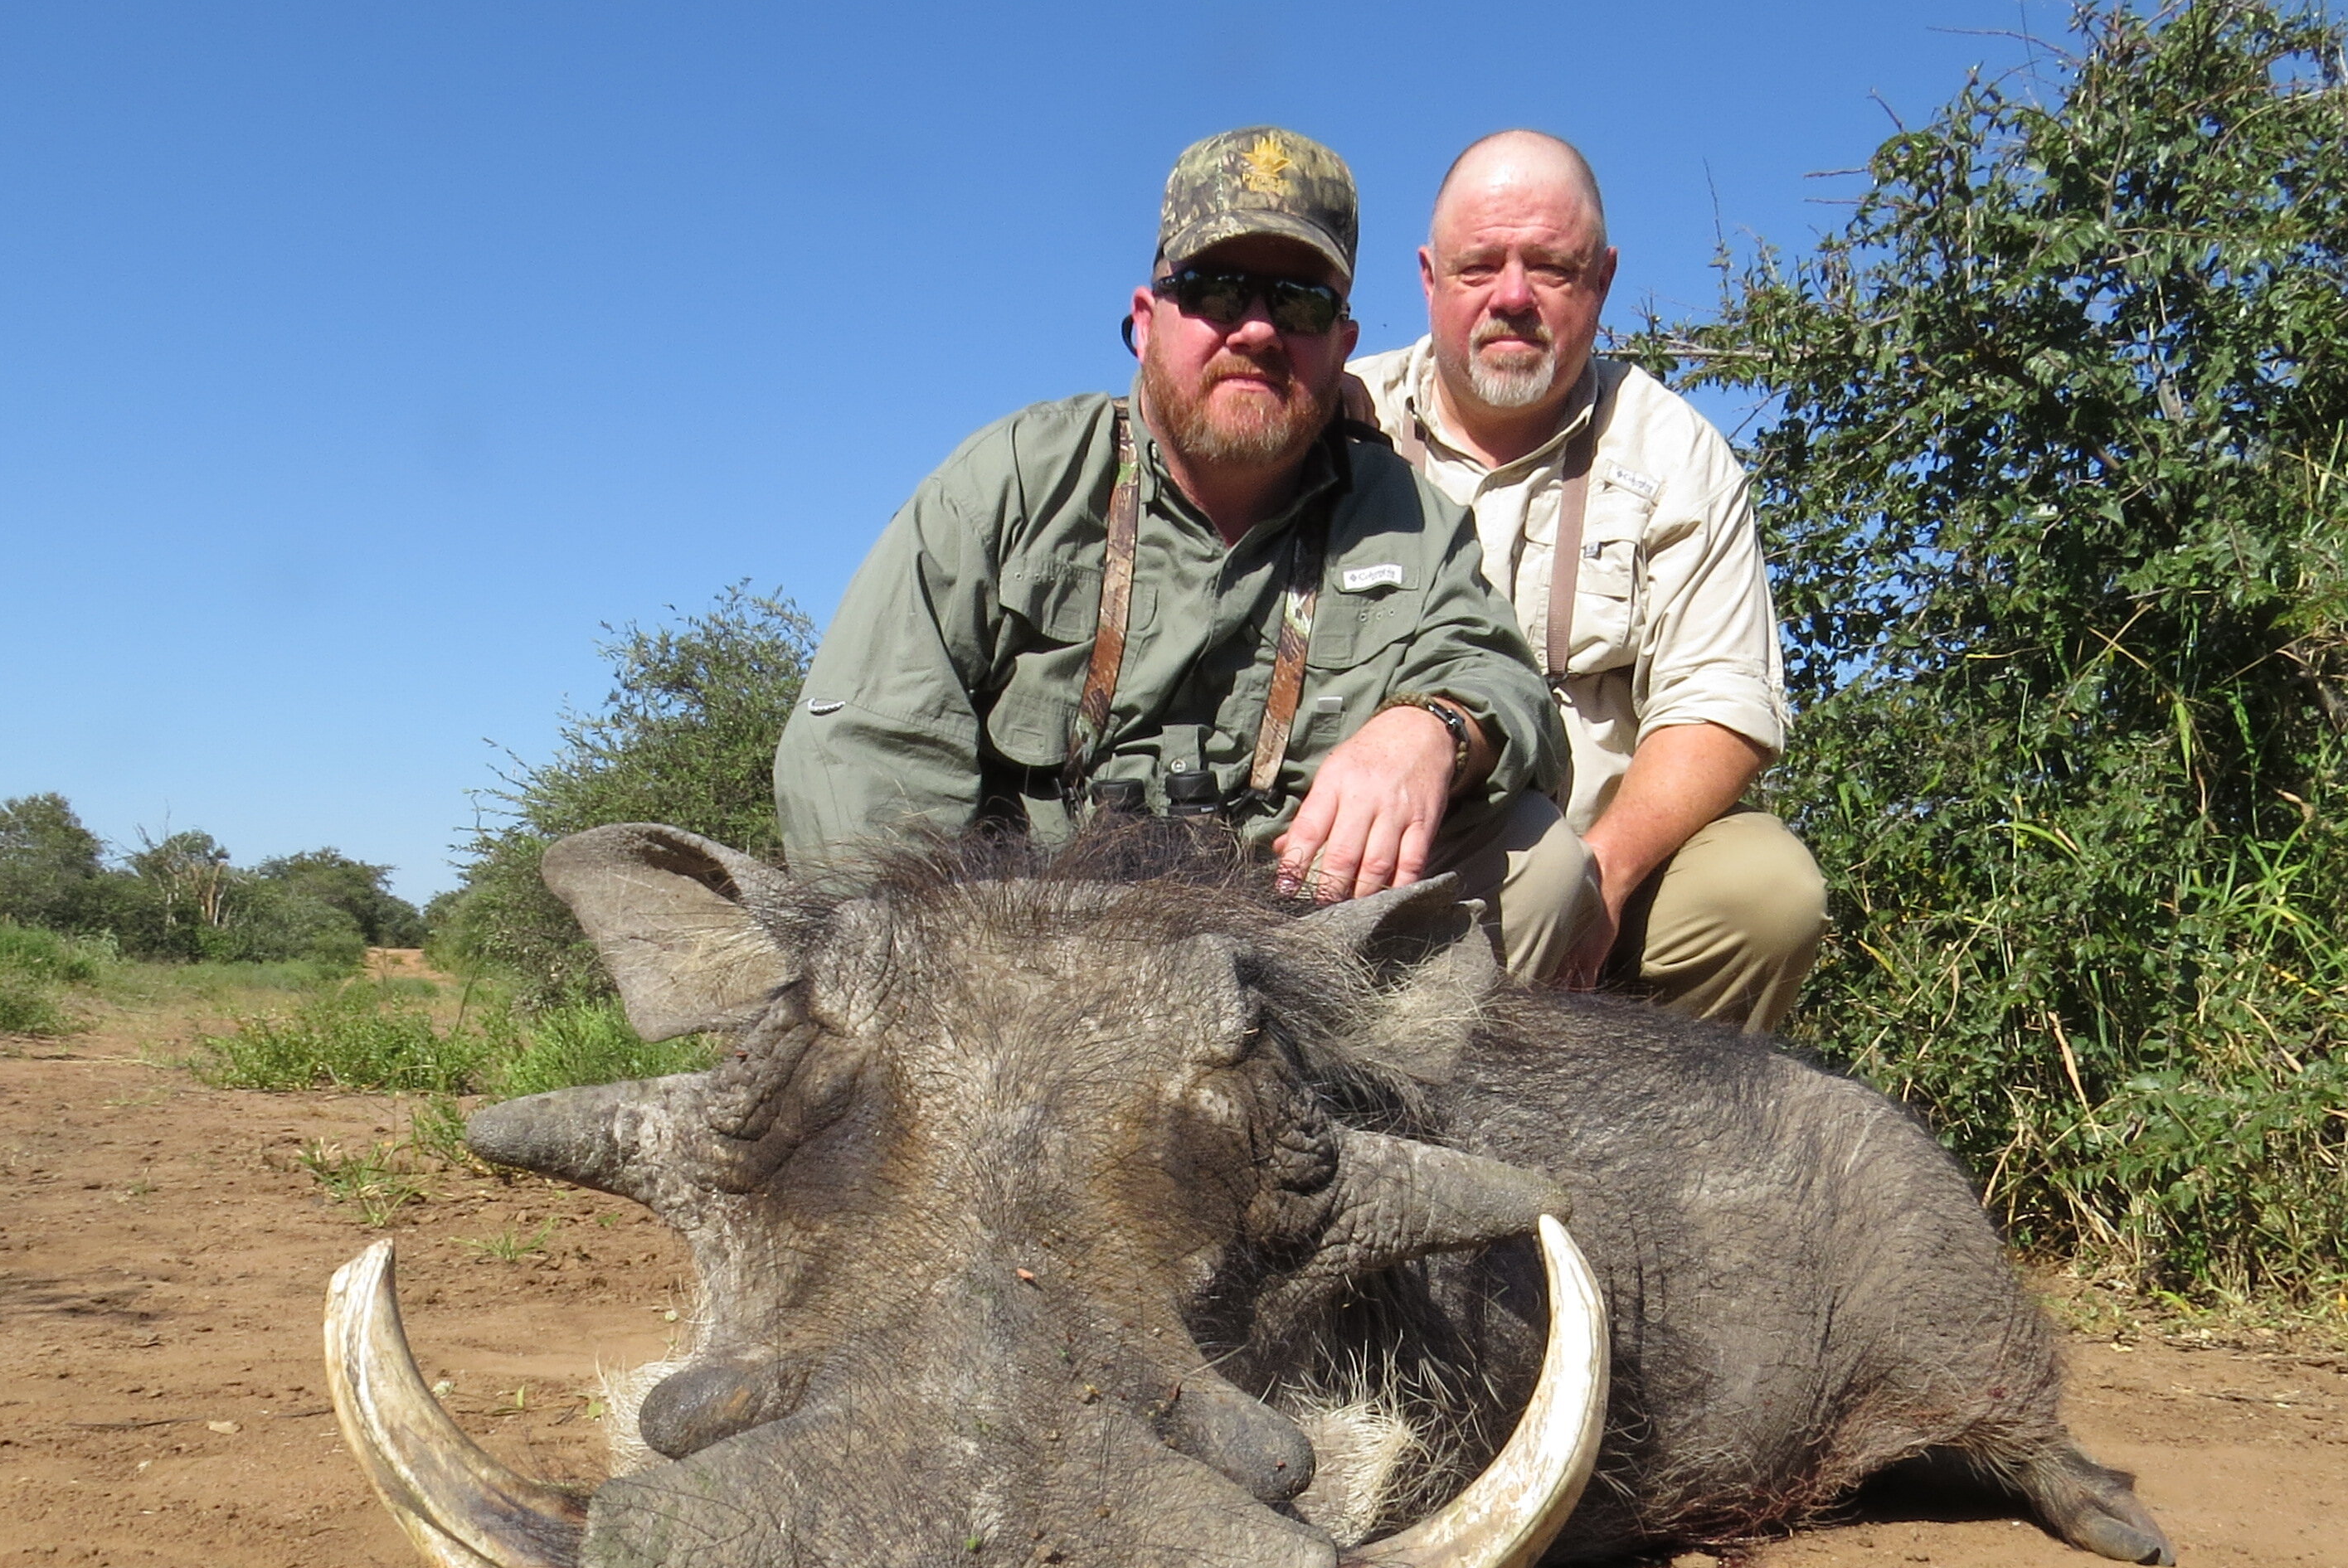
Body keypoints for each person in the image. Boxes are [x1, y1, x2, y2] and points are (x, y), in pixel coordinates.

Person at [776, 127, 1583, 954]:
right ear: (1147, 317)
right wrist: (951, 970)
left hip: (1293, 969)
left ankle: (1398, 1090)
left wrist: (1431, 729)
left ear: (1341, 344)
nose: (1259, 332)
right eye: (1217, 293)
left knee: (1541, 864)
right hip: (1021, 959)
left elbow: (1505, 685)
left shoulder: (1407, 516)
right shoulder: (1010, 482)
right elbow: (863, 748)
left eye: (1300, 302)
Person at [1347, 129, 1825, 1032]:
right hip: (1384, 870)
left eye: (1552, 269)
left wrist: (1603, 873)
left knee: (1768, 892)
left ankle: (1662, 1153)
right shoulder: (1341, 420)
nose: (1513, 297)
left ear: (1601, 279)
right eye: (1480, 265)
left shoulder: (1674, 448)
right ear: (1427, 277)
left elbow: (1720, 703)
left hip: (1604, 873)